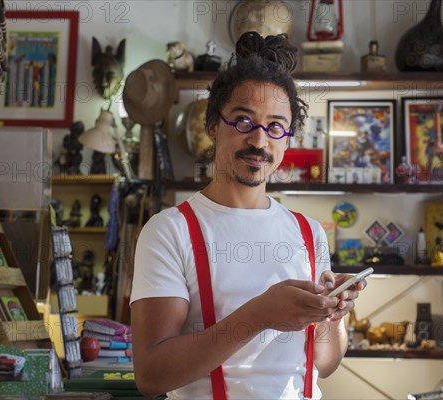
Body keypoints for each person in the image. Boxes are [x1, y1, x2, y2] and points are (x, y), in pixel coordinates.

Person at [130, 31, 367, 400]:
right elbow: (152, 375)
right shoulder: (170, 231)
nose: (259, 141)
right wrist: (259, 316)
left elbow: (323, 363)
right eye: (243, 122)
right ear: (212, 126)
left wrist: (334, 313)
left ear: (287, 140)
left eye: (275, 126)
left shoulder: (308, 233)